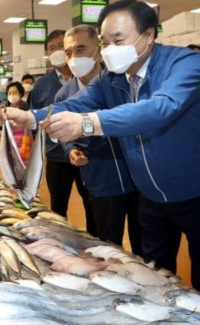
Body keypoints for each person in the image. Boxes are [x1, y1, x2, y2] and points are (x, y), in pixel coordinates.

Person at [3, 0, 200, 303]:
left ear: (148, 35)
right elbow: (76, 103)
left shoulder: (185, 63)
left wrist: (88, 124)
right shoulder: (111, 79)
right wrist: (33, 117)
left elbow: (162, 108)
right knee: (154, 275)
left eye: (118, 40)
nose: (109, 49)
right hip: (151, 198)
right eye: (105, 42)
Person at [55, 24, 142, 254]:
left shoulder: (123, 80)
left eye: (81, 49)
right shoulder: (65, 95)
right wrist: (71, 149)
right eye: (68, 52)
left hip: (138, 176)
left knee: (144, 242)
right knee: (108, 244)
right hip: (101, 177)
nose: (74, 58)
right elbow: (62, 131)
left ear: (98, 49)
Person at [30, 29, 92, 230]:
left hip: (87, 155)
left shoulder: (88, 77)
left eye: (60, 47)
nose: (57, 51)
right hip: (56, 156)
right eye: (52, 48)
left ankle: (96, 240)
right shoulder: (42, 85)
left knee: (92, 204)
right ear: (47, 54)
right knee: (58, 205)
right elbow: (35, 119)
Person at [6, 82, 31, 163]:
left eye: (14, 92)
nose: (11, 95)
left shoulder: (24, 106)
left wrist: (26, 143)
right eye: (9, 93)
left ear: (20, 94)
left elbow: (28, 124)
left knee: (23, 163)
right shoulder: (9, 107)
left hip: (23, 140)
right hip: (12, 139)